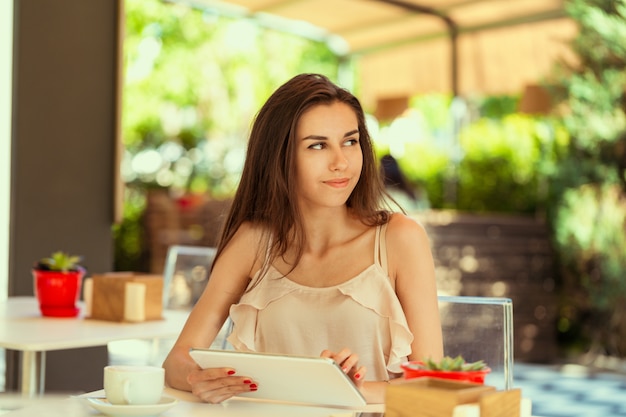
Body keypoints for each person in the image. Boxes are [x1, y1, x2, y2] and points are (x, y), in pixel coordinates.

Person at [162, 73, 443, 404]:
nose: (341, 162)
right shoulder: (254, 242)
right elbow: (176, 361)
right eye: (318, 145)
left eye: (350, 141)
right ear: (279, 157)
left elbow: (432, 384)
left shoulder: (399, 239)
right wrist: (200, 379)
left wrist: (343, 389)